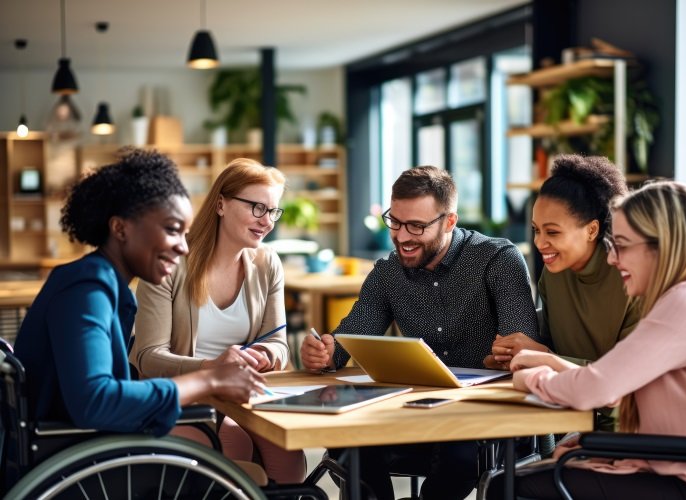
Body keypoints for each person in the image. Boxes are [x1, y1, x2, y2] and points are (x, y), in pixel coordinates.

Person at [496, 181, 686, 499]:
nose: (613, 260)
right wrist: (604, 447)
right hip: (678, 467)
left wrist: (532, 377)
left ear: (664, 246)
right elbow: (626, 395)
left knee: (505, 486)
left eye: (622, 245)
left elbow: (599, 388)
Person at [301, 166, 539, 500]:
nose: (401, 236)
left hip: (484, 419)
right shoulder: (388, 272)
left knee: (459, 455)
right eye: (395, 222)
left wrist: (507, 357)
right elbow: (348, 338)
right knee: (345, 438)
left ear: (450, 221)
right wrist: (324, 352)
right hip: (417, 412)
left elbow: (522, 346)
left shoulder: (497, 260)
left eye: (416, 226)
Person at [13, 148, 265, 438]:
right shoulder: (86, 291)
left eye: (185, 233)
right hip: (74, 461)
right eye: (172, 230)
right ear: (120, 228)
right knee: (250, 476)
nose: (183, 247)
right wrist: (208, 380)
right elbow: (96, 400)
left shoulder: (102, 285)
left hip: (85, 451)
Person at [130, 158, 305, 484]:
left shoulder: (267, 263)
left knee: (290, 460)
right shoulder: (168, 263)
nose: (267, 221)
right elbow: (147, 357)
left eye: (273, 211)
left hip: (243, 397)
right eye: (256, 207)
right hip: (183, 397)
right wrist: (212, 368)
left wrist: (266, 356)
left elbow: (278, 342)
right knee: (233, 448)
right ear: (221, 204)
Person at [485, 154, 639, 430]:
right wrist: (513, 355)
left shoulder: (631, 279)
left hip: (624, 428)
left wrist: (542, 354)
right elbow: (560, 338)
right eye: (535, 230)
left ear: (591, 230)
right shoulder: (555, 275)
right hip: (571, 417)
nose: (539, 243)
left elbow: (626, 383)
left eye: (552, 232)